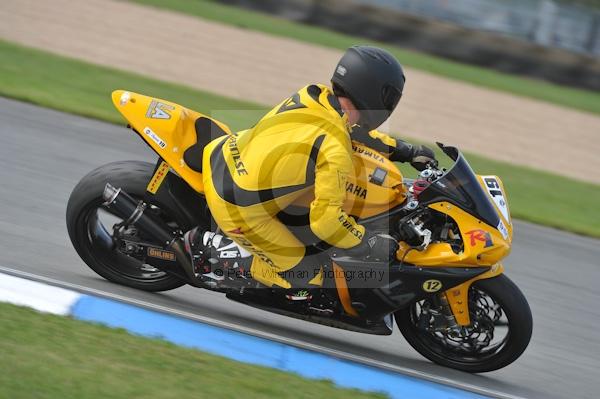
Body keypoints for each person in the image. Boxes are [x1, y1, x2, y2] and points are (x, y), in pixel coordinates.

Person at [184, 45, 437, 300]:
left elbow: (355, 132)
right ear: (374, 94)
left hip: (226, 154)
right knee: (308, 281)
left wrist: (406, 151)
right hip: (238, 205)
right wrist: (368, 242)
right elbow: (326, 222)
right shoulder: (334, 147)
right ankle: (215, 256)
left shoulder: (315, 95)